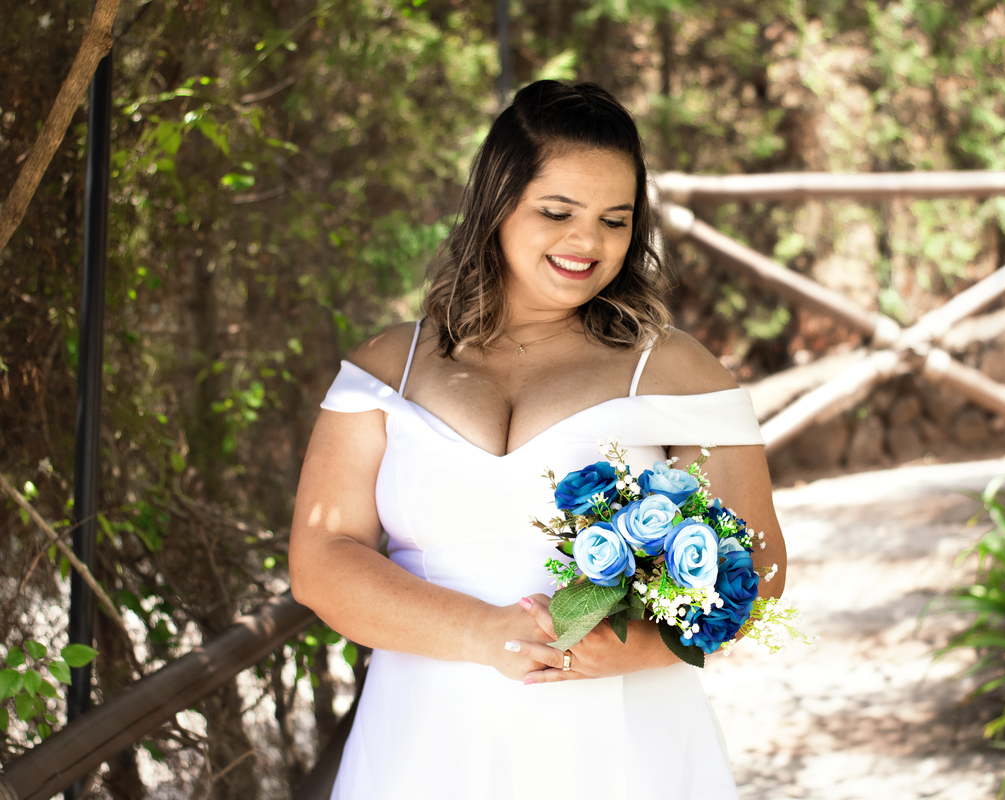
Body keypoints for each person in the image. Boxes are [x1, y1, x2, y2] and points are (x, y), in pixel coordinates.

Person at [289, 80, 788, 800]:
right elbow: (321, 559)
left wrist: (635, 650)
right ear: (497, 205)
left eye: (616, 221)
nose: (588, 243)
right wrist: (481, 634)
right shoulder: (385, 369)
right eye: (558, 212)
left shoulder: (674, 369)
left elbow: (760, 568)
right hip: (425, 742)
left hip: (618, 741)